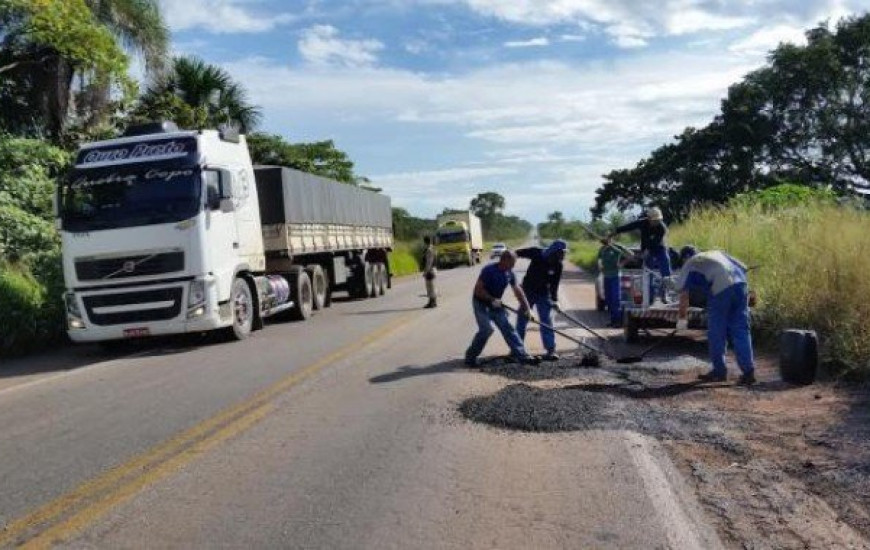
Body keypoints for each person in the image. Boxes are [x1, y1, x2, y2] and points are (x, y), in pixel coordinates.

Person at [674, 246, 755, 385]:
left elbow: (683, 294)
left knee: (717, 332)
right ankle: (748, 372)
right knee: (741, 329)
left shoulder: (690, 263)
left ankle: (719, 371)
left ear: (683, 258)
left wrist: (682, 319)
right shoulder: (718, 253)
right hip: (741, 285)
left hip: (721, 289)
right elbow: (743, 267)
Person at [465, 250, 541, 367]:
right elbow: (478, 290)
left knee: (508, 328)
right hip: (481, 303)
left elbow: (518, 291)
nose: (514, 265)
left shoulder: (509, 273)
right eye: (512, 263)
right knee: (487, 330)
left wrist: (527, 309)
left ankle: (522, 356)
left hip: (496, 304)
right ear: (504, 260)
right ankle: (470, 358)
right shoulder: (489, 270)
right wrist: (491, 299)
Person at [515, 239, 567, 361]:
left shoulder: (558, 265)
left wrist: (555, 300)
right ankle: (516, 348)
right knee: (522, 319)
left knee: (546, 321)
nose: (564, 256)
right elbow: (517, 253)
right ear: (554, 251)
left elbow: (555, 284)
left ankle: (551, 350)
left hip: (544, 294)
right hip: (527, 292)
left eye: (565, 253)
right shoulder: (537, 253)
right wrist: (510, 258)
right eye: (562, 253)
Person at [609, 207, 670, 301]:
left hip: (659, 249)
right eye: (654, 220)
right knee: (648, 273)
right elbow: (629, 226)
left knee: (666, 270)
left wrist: (645, 252)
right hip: (646, 248)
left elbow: (655, 242)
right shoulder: (643, 223)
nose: (656, 222)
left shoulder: (662, 228)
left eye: (658, 220)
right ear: (649, 219)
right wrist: (615, 231)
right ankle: (650, 296)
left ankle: (664, 293)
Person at [597, 237, 633, 327]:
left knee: (615, 299)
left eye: (608, 238)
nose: (606, 240)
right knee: (608, 300)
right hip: (606, 276)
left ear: (611, 239)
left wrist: (622, 263)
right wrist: (600, 265)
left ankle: (619, 321)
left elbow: (631, 255)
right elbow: (599, 260)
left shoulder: (617, 247)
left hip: (615, 276)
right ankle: (613, 320)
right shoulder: (602, 249)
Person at [422, 235, 437, 308]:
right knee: (431, 286)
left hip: (430, 270)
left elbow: (429, 262)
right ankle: (432, 302)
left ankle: (432, 302)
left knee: (430, 287)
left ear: (425, 242)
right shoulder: (432, 248)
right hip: (432, 269)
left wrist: (426, 271)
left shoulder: (429, 250)